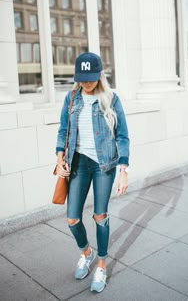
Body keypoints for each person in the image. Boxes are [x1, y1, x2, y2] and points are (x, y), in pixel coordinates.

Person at [55, 52, 130, 293]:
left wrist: (124, 170)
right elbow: (63, 130)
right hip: (78, 164)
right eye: (82, 78)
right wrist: (59, 158)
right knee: (72, 218)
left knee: (100, 215)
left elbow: (122, 136)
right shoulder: (71, 98)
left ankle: (100, 264)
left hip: (103, 165)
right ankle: (86, 252)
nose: (87, 82)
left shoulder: (111, 99)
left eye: (91, 78)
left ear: (100, 75)